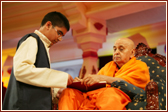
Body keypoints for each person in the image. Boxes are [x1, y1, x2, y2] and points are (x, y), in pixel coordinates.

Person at [2, 11, 73, 110]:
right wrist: (62, 77)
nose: (59, 39)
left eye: (62, 36)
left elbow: (36, 81)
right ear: (48, 25)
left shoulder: (43, 46)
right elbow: (21, 71)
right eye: (59, 33)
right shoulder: (32, 40)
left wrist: (55, 93)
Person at [58, 38, 150, 110]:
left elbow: (126, 83)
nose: (116, 52)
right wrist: (82, 82)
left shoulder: (140, 65)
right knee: (68, 92)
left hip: (117, 96)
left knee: (109, 93)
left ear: (132, 52)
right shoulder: (109, 65)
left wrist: (102, 78)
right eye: (114, 49)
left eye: (121, 49)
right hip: (95, 96)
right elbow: (96, 84)